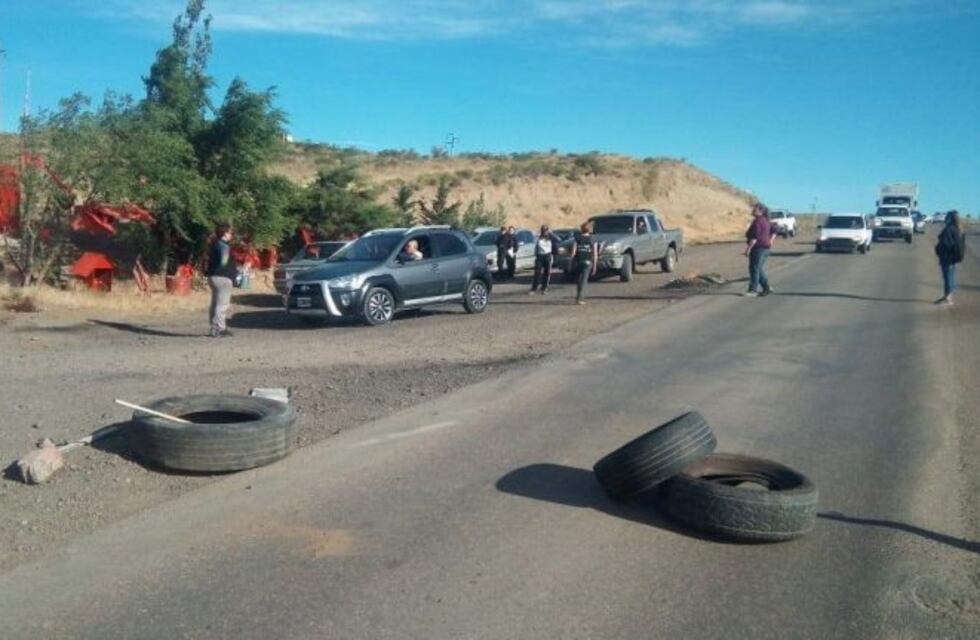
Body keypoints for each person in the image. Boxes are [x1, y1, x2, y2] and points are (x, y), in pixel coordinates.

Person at [206, 223, 238, 338]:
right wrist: (231, 271)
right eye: (230, 232)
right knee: (222, 304)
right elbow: (224, 262)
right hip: (223, 277)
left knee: (215, 303)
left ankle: (214, 327)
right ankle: (219, 328)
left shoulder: (214, 244)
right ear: (225, 233)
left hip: (212, 276)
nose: (231, 235)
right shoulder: (224, 246)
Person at [742, 204, 776, 297]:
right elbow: (774, 231)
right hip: (766, 248)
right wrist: (770, 241)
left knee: (754, 269)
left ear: (760, 210)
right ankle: (767, 288)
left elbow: (754, 237)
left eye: (754, 209)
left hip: (758, 248)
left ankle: (753, 290)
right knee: (758, 268)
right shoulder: (766, 220)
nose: (752, 210)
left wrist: (748, 249)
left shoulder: (757, 221)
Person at [934, 210, 966, 306]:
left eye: (947, 217)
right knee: (950, 276)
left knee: (947, 277)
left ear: (950, 218)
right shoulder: (959, 229)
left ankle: (948, 299)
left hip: (947, 257)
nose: (945, 219)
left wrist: (938, 250)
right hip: (954, 257)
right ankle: (948, 296)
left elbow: (945, 243)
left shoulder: (949, 229)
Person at [569, 221, 598, 305]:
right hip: (588, 262)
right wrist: (595, 266)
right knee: (584, 280)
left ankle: (578, 296)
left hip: (578, 261)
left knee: (579, 280)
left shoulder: (577, 239)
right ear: (589, 230)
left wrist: (570, 262)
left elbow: (573, 253)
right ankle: (579, 298)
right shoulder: (592, 239)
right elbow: (595, 254)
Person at [530, 224, 560, 294]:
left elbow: (558, 240)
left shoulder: (551, 237)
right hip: (540, 256)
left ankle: (544, 288)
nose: (545, 232)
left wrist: (552, 233)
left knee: (547, 273)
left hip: (548, 255)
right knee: (537, 272)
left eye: (546, 230)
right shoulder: (538, 238)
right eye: (543, 230)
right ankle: (534, 288)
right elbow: (534, 242)